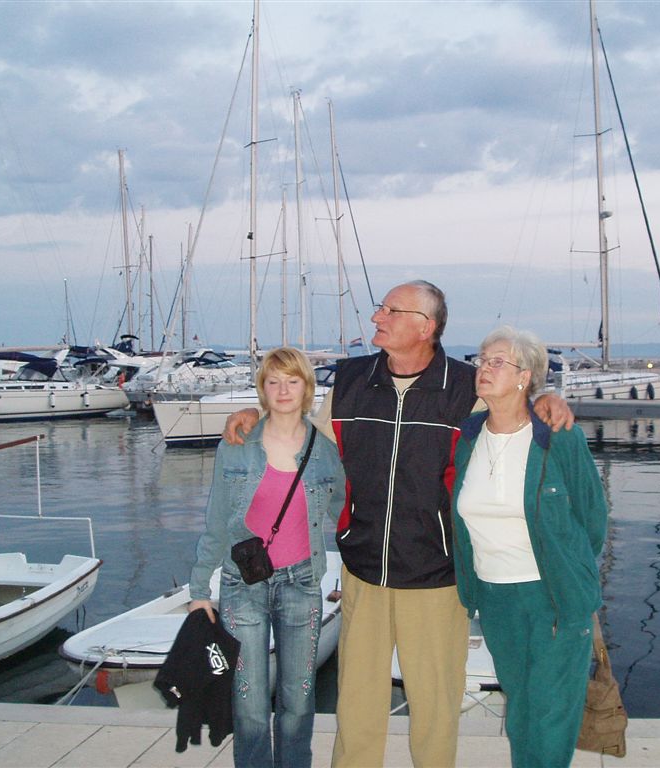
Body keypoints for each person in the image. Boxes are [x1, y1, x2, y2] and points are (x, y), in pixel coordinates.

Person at [223, 281, 573, 767]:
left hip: (436, 575)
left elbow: (511, 417)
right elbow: (301, 439)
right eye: (380, 308)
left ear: (425, 327)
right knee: (356, 707)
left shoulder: (464, 388)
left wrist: (546, 400)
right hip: (363, 571)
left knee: (435, 708)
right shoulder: (351, 381)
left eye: (391, 310)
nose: (377, 318)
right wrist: (256, 415)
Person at [450, 325, 607, 768]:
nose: (484, 368)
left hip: (553, 596)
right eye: (482, 360)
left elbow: (593, 520)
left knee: (551, 716)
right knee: (520, 709)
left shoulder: (558, 436)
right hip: (495, 598)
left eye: (498, 361)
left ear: (525, 376)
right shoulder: (468, 438)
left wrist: (570, 574)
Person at [188, 346, 345, 768]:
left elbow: (347, 515)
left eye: (292, 381)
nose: (283, 390)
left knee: (298, 699)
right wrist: (199, 590)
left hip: (302, 584)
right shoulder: (237, 445)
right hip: (243, 585)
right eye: (273, 381)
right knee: (249, 701)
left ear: (307, 388)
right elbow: (217, 521)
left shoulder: (324, 451)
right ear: (262, 389)